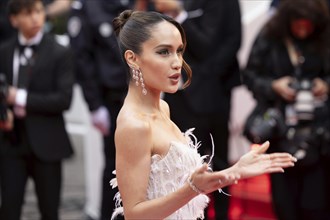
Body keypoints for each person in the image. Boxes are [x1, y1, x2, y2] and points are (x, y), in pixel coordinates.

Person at [109, 9, 296, 220]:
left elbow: (175, 184)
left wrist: (233, 171)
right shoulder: (135, 125)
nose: (177, 62)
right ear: (132, 59)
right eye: (163, 52)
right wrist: (192, 188)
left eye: (179, 51)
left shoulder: (163, 108)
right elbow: (135, 214)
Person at [149, 1, 242, 219]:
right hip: (178, 95)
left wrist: (179, 14)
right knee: (181, 164)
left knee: (215, 162)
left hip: (212, 93)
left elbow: (212, 45)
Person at [242, 0, 330, 219]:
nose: (302, 30)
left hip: (320, 135)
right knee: (284, 204)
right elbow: (249, 74)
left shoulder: (325, 36)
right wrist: (274, 86)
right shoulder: (271, 34)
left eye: (307, 26)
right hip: (280, 131)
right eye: (298, 25)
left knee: (316, 204)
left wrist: (325, 85)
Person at [0, 0, 74, 219]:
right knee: (9, 208)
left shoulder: (60, 52)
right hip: (11, 142)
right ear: (14, 19)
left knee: (49, 210)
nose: (35, 18)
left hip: (47, 143)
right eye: (28, 13)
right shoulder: (4, 51)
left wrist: (18, 97)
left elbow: (63, 99)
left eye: (39, 12)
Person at [67, 1, 133, 219]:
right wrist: (94, 105)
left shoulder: (139, 4)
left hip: (144, 96)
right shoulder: (90, 7)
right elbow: (81, 58)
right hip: (112, 100)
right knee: (116, 169)